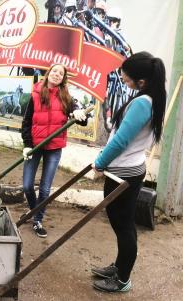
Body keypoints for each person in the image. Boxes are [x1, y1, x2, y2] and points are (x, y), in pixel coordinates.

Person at [91, 52, 166, 292]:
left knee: (122, 224)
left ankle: (122, 278)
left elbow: (121, 140)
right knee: (122, 223)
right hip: (128, 170)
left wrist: (100, 162)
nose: (122, 77)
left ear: (141, 81)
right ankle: (120, 267)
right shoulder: (150, 98)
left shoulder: (143, 103)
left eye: (126, 76)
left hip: (123, 173)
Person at [21, 64, 87, 238]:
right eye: (55, 71)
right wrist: (27, 144)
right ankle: (34, 211)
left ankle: (37, 220)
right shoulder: (35, 94)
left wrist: (79, 113)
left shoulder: (66, 98)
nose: (57, 74)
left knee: (44, 190)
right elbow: (26, 122)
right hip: (34, 146)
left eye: (61, 73)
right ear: (48, 73)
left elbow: (81, 120)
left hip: (54, 148)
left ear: (63, 78)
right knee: (27, 185)